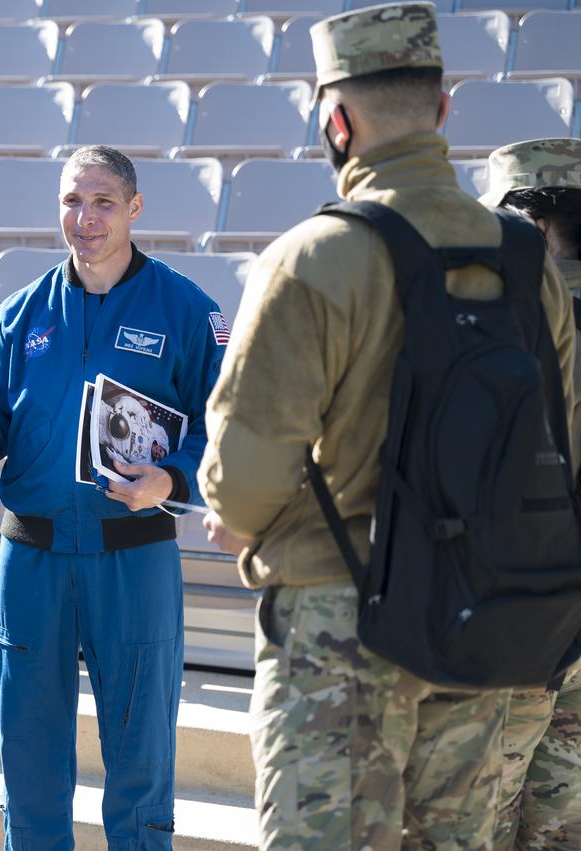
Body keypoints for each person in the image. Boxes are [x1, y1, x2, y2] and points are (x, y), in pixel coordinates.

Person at [198, 4, 576, 848]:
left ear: (336, 123)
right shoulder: (530, 269)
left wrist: (241, 518)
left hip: (341, 628)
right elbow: (564, 454)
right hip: (479, 617)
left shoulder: (313, 257)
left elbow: (243, 487)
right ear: (442, 109)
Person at [0, 144, 225, 850]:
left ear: (134, 208)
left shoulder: (187, 310)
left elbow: (226, 425)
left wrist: (171, 479)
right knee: (29, 758)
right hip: (34, 560)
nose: (85, 217)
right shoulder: (20, 314)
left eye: (103, 202)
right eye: (72, 201)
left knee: (140, 757)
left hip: (135, 559)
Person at [482, 137, 581, 850]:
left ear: (533, 221)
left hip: (523, 605)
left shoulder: (500, 316)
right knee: (563, 814)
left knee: (484, 801)